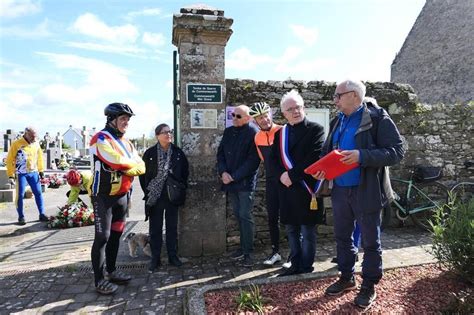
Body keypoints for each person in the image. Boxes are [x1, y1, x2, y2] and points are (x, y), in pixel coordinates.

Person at [312, 80, 404, 309]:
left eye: (338, 95)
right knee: (342, 237)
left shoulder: (377, 118)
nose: (334, 99)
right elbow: (327, 151)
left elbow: (396, 152)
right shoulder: (337, 120)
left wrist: (361, 155)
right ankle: (346, 278)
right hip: (340, 190)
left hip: (367, 190)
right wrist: (323, 166)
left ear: (353, 95)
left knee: (371, 242)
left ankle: (369, 286)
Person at [89, 102, 145, 295]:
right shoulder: (100, 139)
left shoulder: (127, 143)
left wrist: (129, 167)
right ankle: (98, 280)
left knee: (115, 236)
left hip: (121, 196)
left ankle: (111, 271)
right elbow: (116, 161)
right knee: (102, 237)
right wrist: (130, 167)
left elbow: (141, 164)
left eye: (128, 120)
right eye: (123, 119)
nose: (126, 122)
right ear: (111, 119)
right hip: (103, 197)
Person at [270, 90, 325, 277]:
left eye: (298, 107)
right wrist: (281, 176)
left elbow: (314, 157)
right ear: (284, 113)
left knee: (308, 232)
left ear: (304, 108)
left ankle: (306, 266)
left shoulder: (316, 130)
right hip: (287, 189)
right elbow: (273, 161)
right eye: (290, 109)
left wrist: (291, 175)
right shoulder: (280, 134)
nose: (295, 111)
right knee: (291, 230)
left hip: (307, 189)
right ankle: (295, 263)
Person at [139, 123, 189, 272]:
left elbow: (185, 172)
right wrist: (149, 191)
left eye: (170, 132)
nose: (168, 134)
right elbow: (143, 175)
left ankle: (173, 256)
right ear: (157, 136)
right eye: (164, 132)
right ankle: (155, 258)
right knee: (155, 228)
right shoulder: (149, 153)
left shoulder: (178, 153)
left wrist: (180, 187)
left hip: (172, 195)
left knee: (172, 227)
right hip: (155, 196)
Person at [217, 105, 260, 267]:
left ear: (248, 118)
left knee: (245, 215)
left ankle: (248, 251)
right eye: (233, 115)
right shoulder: (228, 132)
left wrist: (233, 176)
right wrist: (223, 172)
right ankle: (242, 248)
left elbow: (253, 162)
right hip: (229, 181)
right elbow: (220, 153)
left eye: (238, 116)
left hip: (244, 183)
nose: (234, 118)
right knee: (237, 214)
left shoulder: (253, 133)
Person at [249, 102, 284, 266]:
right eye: (259, 118)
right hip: (271, 181)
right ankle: (275, 251)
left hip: (287, 180)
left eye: (265, 115)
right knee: (272, 217)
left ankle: (295, 255)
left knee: (292, 218)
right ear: (255, 121)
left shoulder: (283, 131)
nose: (263, 120)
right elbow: (264, 160)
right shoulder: (257, 137)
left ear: (270, 114)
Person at [6, 126, 48, 225]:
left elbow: (40, 158)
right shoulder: (16, 144)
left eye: (35, 137)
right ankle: (21, 217)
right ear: (26, 134)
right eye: (32, 137)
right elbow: (9, 160)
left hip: (33, 172)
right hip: (21, 174)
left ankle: (42, 214)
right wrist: (11, 175)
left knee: (38, 193)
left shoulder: (36, 143)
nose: (34, 139)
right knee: (20, 195)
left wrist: (41, 171)